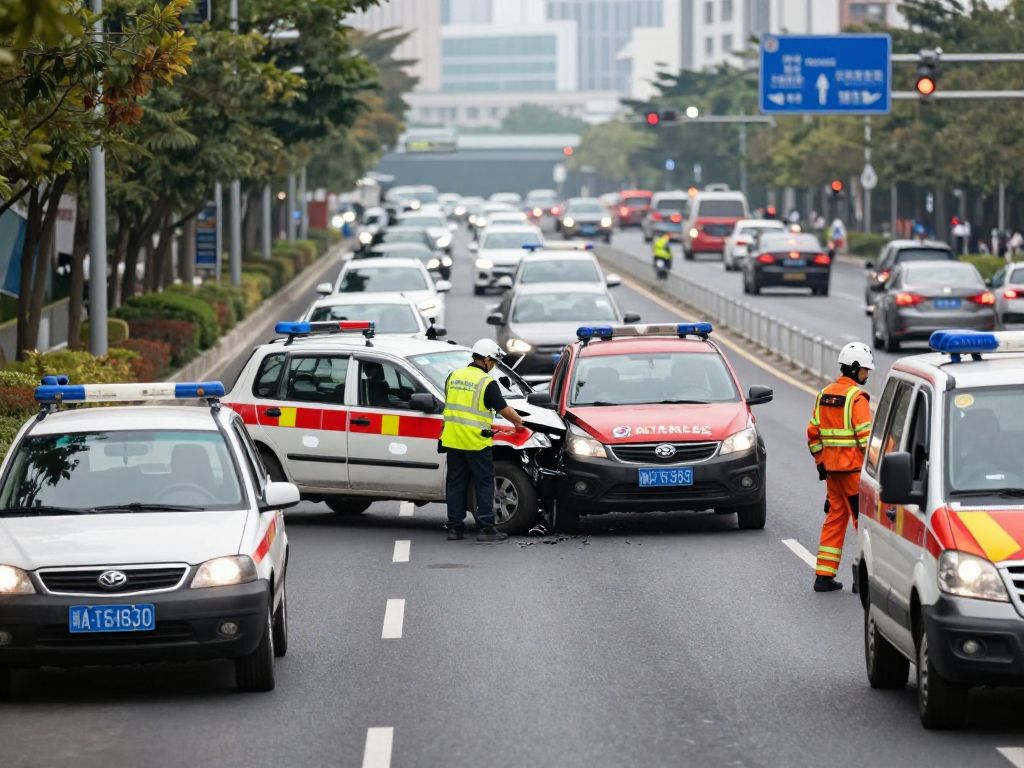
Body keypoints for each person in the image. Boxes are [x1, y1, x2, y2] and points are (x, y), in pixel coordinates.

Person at [441, 339, 525, 543]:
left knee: (455, 484)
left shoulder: (453, 376)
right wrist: (519, 424)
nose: (494, 366)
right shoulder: (486, 383)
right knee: (484, 483)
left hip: (452, 440)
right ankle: (486, 528)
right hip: (475, 442)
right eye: (494, 362)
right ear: (486, 360)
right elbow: (503, 409)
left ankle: (454, 528)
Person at [806, 342, 874, 593]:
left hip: (832, 473)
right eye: (866, 370)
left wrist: (821, 462)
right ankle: (861, 580)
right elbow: (866, 440)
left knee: (835, 519)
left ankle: (823, 575)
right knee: (863, 524)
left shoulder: (824, 394)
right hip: (855, 474)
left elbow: (813, 434)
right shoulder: (857, 398)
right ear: (855, 369)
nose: (867, 375)